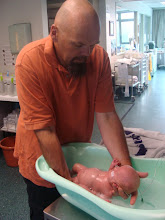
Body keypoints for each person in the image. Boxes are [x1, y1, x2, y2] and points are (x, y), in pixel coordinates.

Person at [14, 0, 147, 219]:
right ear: (54, 33)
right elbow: (45, 132)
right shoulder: (29, 62)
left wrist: (125, 172)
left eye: (92, 44)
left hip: (77, 153)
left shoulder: (98, 58)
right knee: (44, 212)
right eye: (78, 45)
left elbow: (107, 116)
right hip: (42, 160)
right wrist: (72, 187)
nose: (86, 53)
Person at [72, 159, 148, 205]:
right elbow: (110, 172)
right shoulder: (111, 175)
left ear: (116, 185)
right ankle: (71, 172)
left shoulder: (111, 191)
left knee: (77, 185)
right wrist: (112, 165)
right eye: (118, 168)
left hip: (82, 182)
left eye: (116, 172)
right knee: (76, 165)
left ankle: (71, 179)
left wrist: (102, 199)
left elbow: (104, 196)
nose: (115, 169)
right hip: (85, 170)